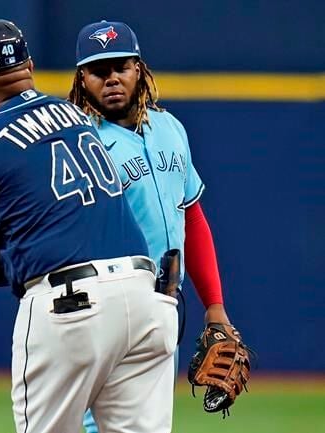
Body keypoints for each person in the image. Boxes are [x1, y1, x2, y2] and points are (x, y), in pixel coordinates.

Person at [0, 18, 178, 433]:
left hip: (70, 305)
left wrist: (25, 260)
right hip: (146, 298)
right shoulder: (76, 117)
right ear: (30, 67)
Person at [67, 20, 233, 432]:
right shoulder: (74, 141)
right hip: (103, 304)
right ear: (81, 79)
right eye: (97, 70)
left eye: (120, 66)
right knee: (93, 424)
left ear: (139, 68)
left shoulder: (170, 129)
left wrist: (214, 304)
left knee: (150, 424)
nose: (110, 79)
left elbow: (190, 216)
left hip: (164, 302)